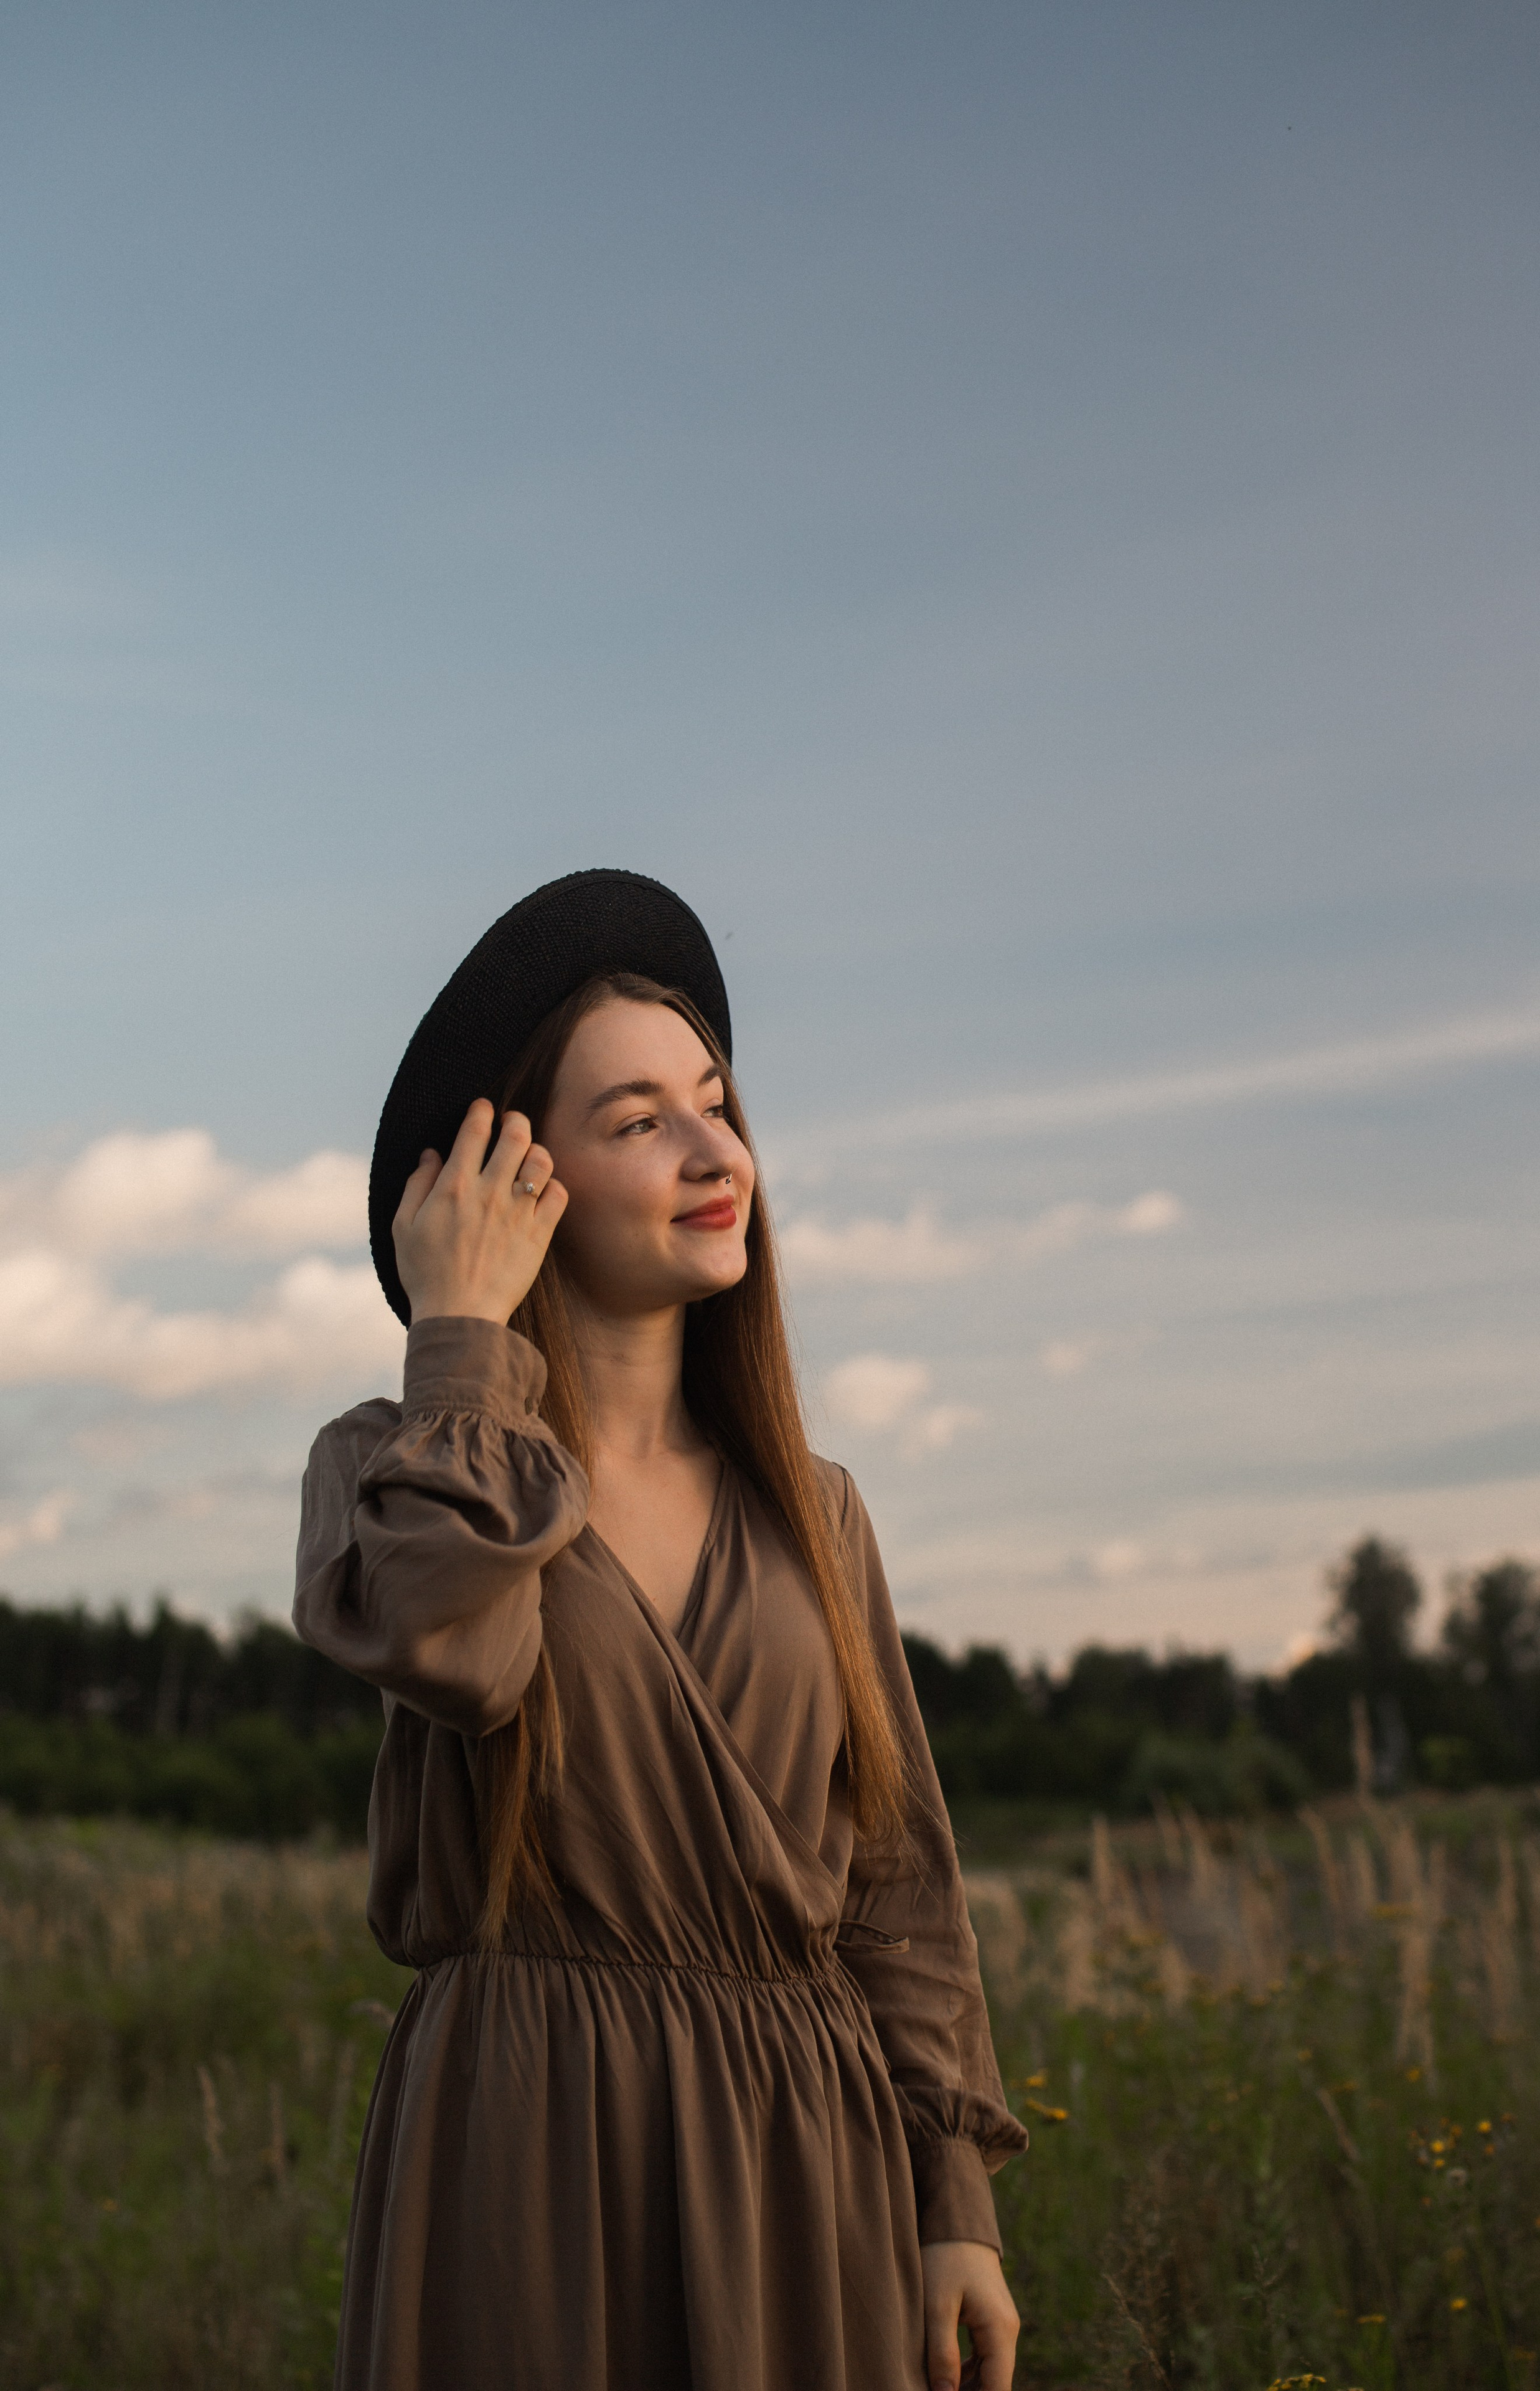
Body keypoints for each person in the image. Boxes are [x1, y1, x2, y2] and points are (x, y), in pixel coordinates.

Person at [294, 870, 1025, 2391]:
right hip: (529, 2154)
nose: (718, 1153)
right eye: (637, 1122)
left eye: (714, 1103)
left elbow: (896, 1880)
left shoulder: (812, 1512)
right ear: (514, 1181)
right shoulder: (394, 1459)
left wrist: (951, 2198)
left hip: (805, 2157)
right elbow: (453, 1648)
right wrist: (464, 1346)